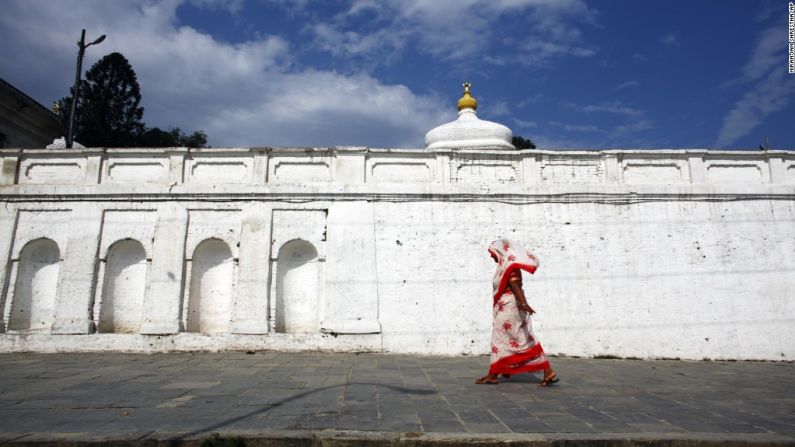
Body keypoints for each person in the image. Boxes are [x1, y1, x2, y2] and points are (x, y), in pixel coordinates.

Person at [475, 239, 559, 386]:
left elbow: (515, 286)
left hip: (510, 308)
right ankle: (546, 371)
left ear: (500, 252)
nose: (491, 256)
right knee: (520, 339)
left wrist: (524, 303)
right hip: (507, 307)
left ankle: (493, 374)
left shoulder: (510, 267)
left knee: (500, 338)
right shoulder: (504, 266)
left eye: (492, 253)